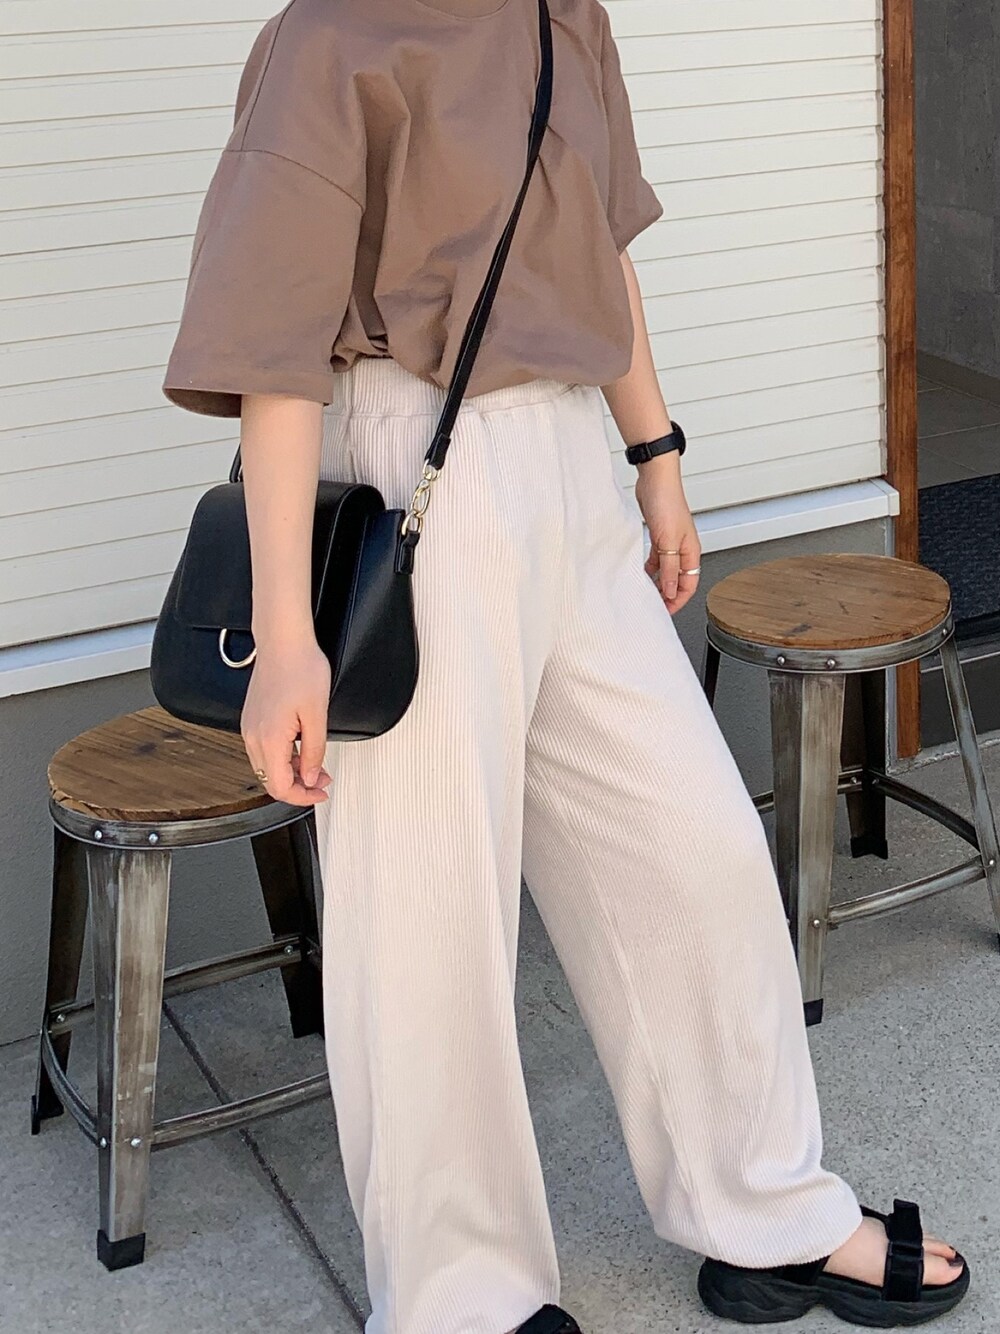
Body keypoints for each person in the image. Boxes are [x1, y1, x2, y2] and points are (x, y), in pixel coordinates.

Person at [161, 1, 969, 1330]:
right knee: (425, 917)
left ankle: (764, 1206)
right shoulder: (333, 36)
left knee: (690, 845)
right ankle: (460, 1299)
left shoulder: (565, 17)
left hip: (569, 466)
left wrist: (657, 456)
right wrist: (286, 634)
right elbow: (273, 349)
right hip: (414, 469)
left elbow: (600, 252)